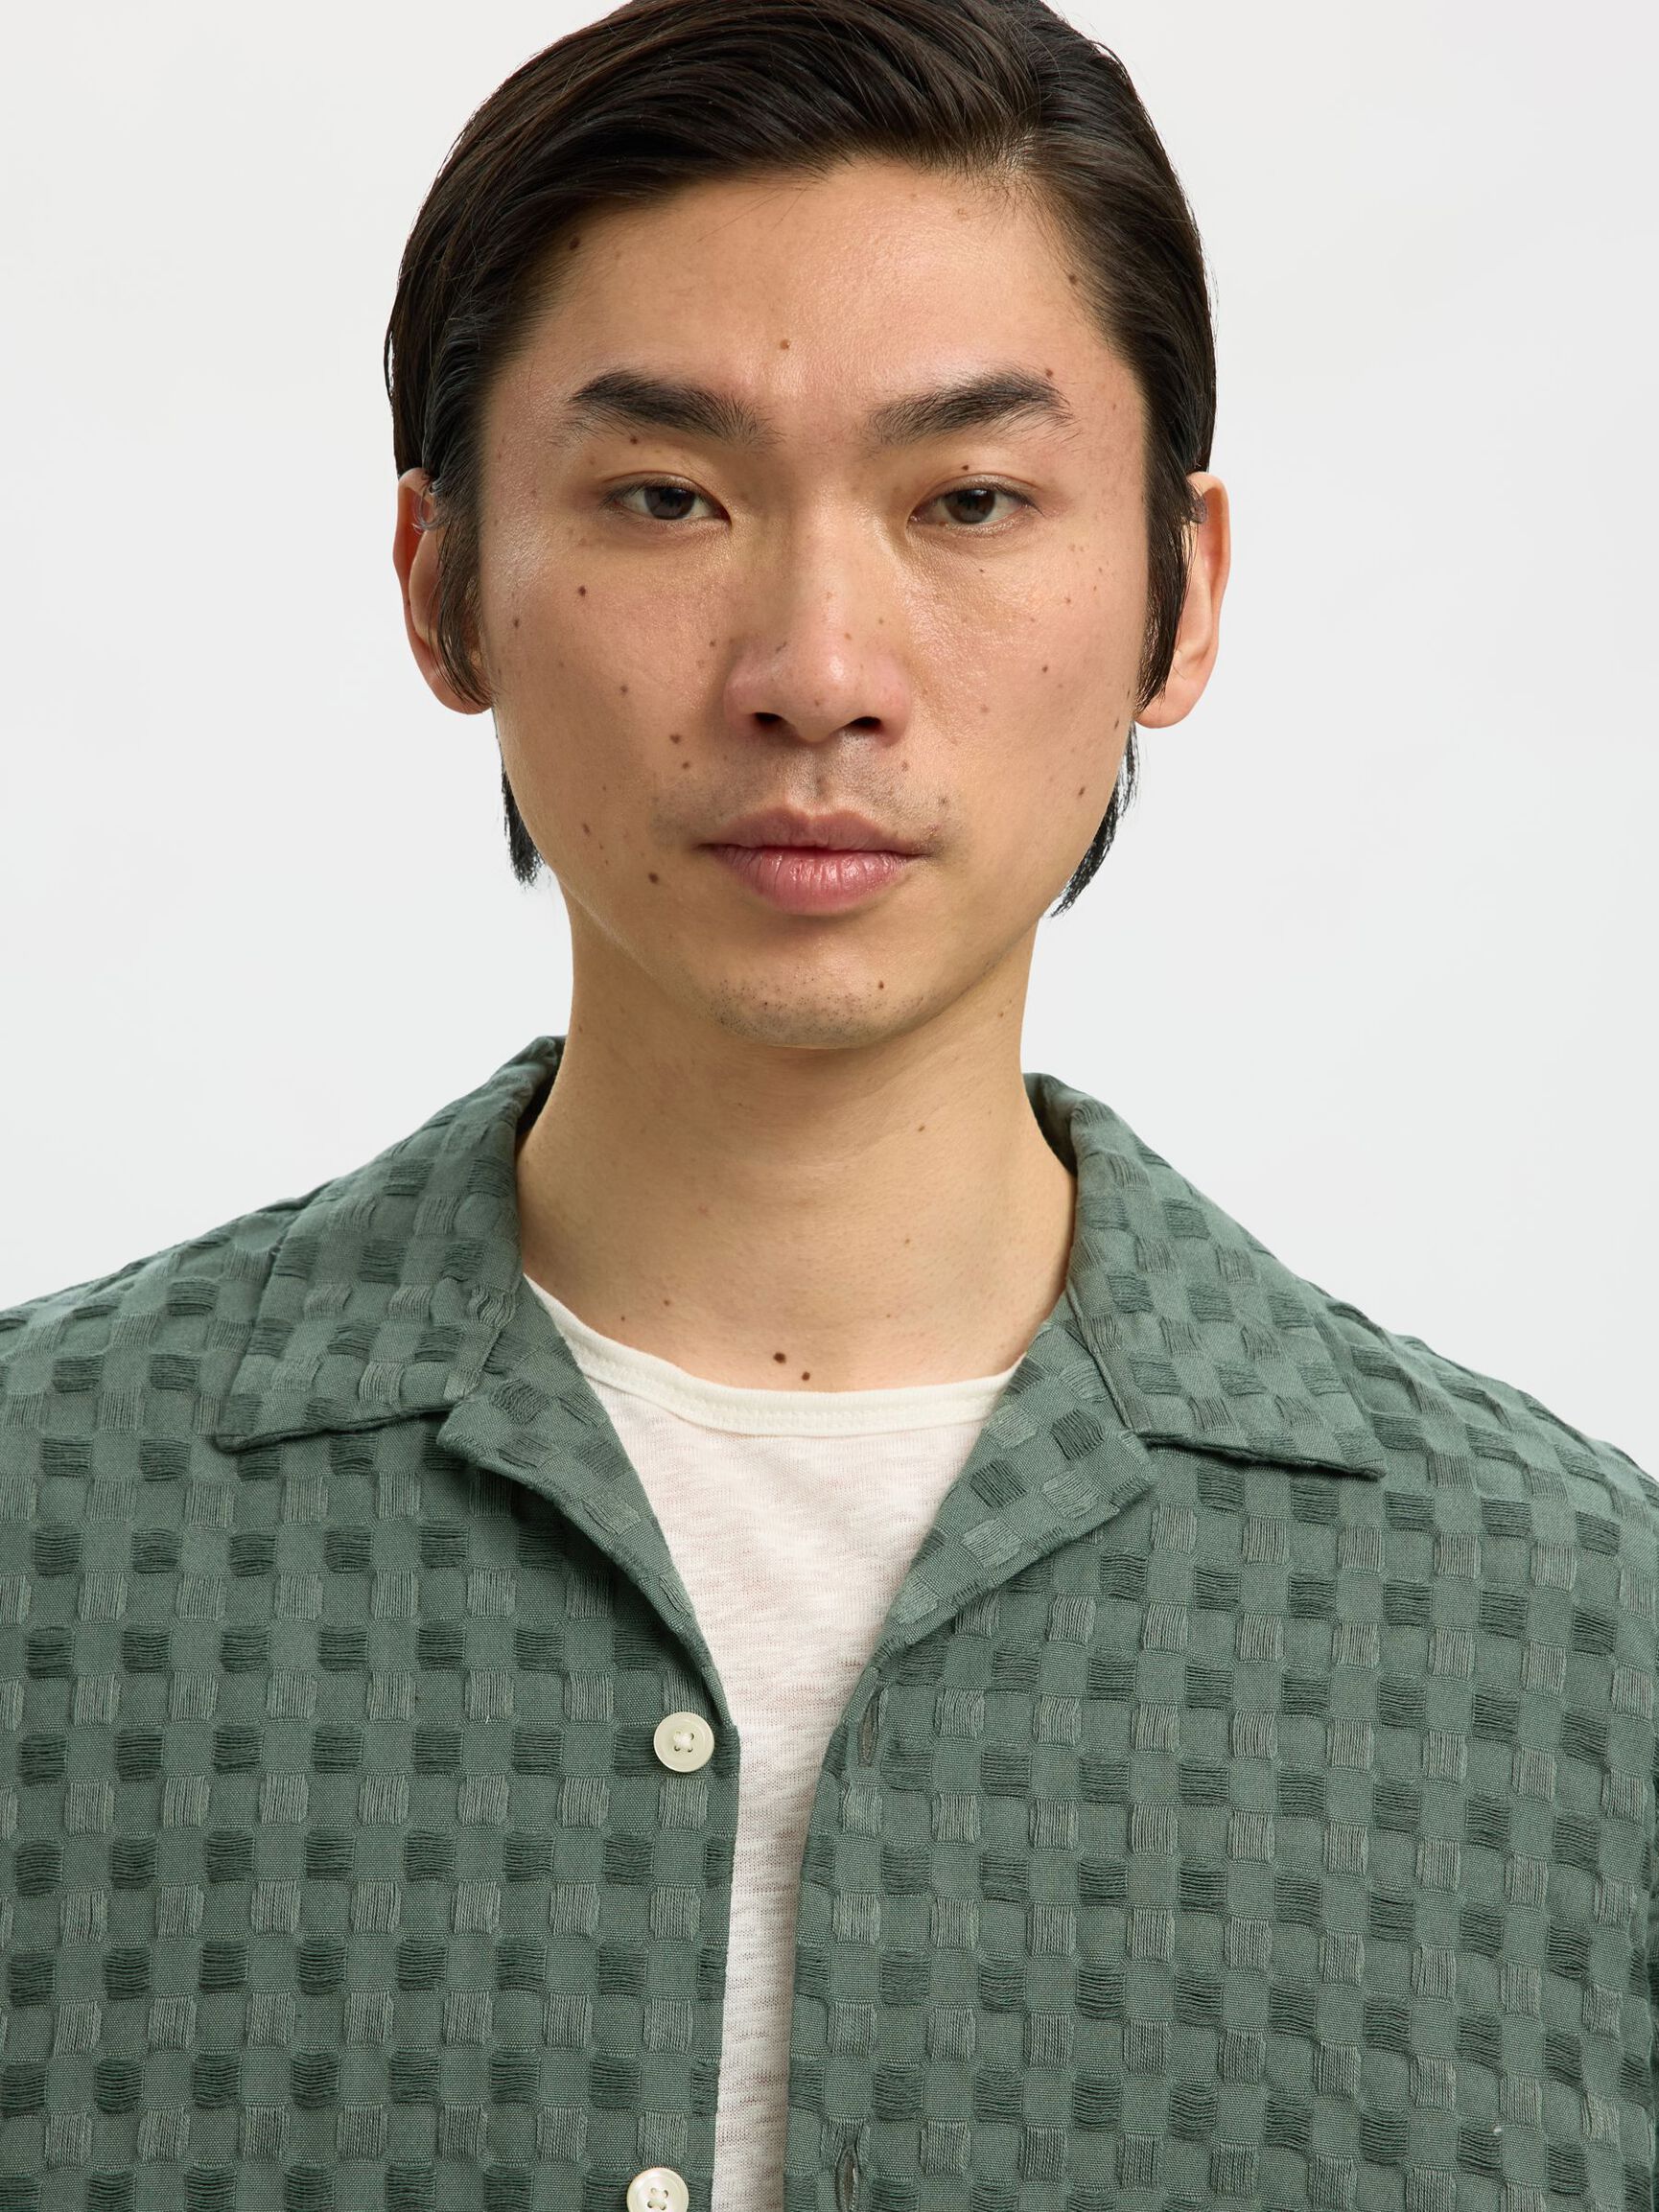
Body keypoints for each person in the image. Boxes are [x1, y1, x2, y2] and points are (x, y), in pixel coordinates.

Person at [2, 2, 1652, 2208]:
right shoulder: (41, 1524)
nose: (815, 671)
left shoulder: (1580, 1644)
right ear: (439, 583)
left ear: (1180, 596)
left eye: (967, 499)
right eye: (664, 496)